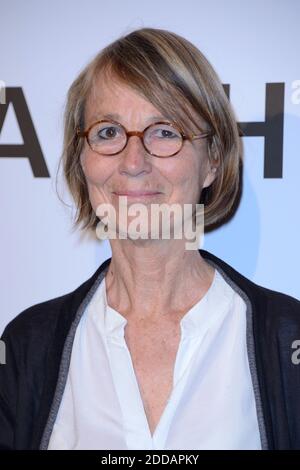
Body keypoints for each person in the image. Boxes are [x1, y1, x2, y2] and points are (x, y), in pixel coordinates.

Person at [0, 27, 300, 451]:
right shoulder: (26, 346)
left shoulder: (288, 341)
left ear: (212, 160)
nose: (133, 162)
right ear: (81, 159)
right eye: (108, 132)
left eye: (164, 131)